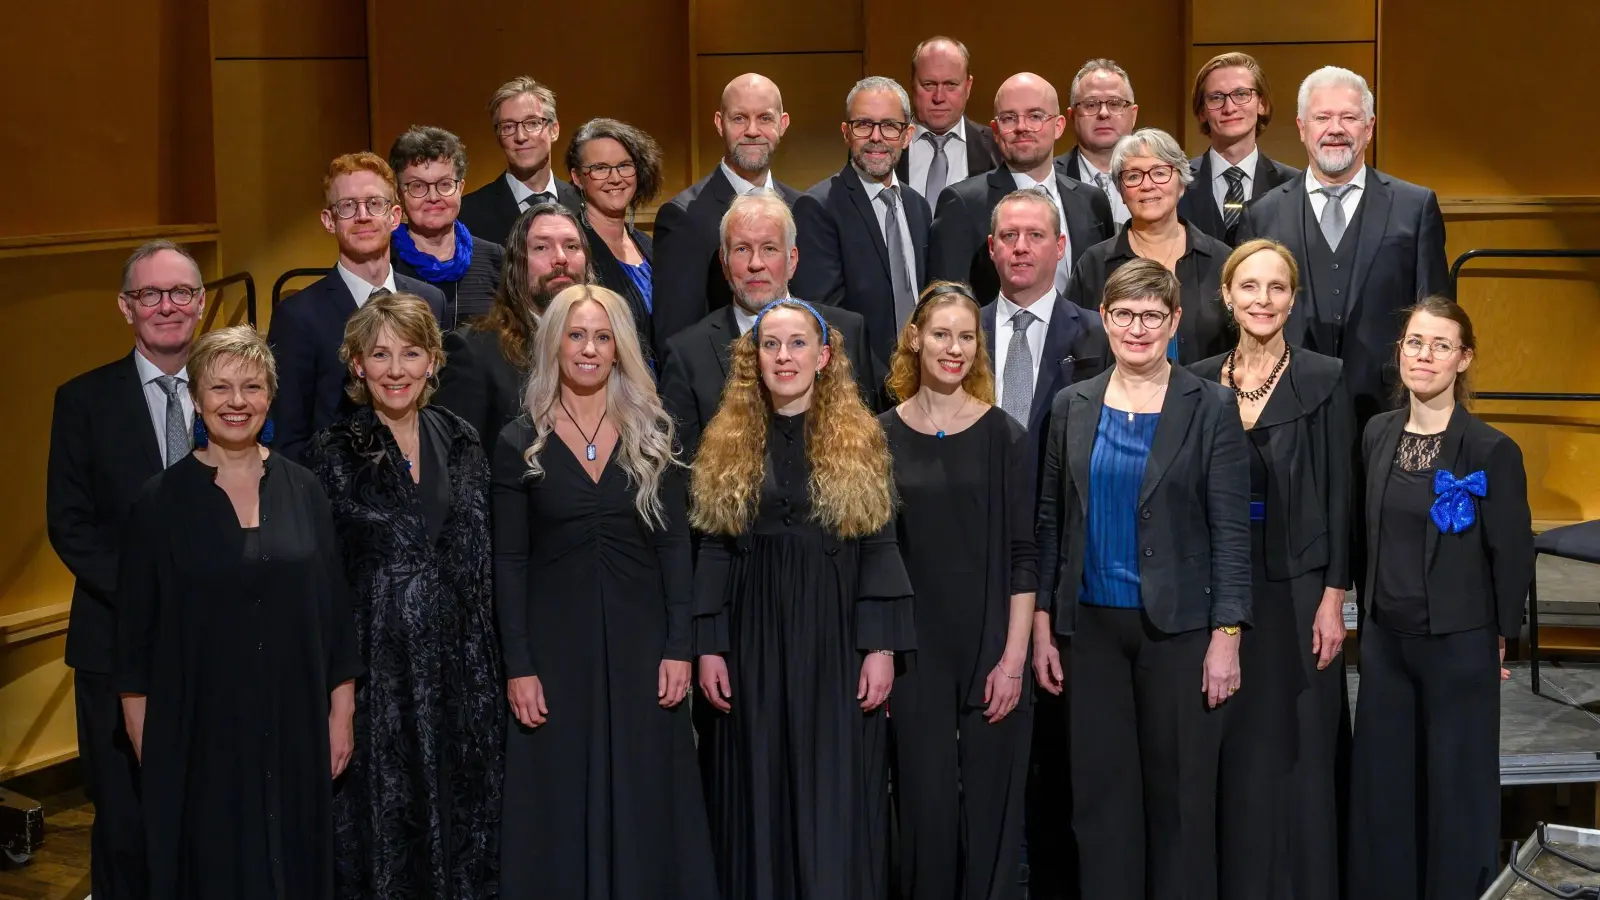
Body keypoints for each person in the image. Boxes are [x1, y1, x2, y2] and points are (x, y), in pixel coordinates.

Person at [115, 326, 363, 900]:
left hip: (298, 725)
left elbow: (334, 615)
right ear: (197, 399)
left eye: (252, 387)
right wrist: (151, 744)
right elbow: (133, 643)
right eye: (220, 388)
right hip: (199, 734)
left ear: (270, 398)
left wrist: (341, 715)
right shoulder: (159, 502)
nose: (236, 402)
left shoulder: (305, 489)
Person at [1033, 260, 1250, 900]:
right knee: (1100, 801)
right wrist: (1045, 626)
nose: (1137, 327)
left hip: (1180, 632)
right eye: (1124, 314)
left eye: (1152, 315)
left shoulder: (1210, 406)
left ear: (1175, 321)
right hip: (1090, 629)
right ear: (1104, 318)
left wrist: (1227, 634)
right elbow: (1051, 522)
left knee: (1178, 799)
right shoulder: (1071, 404)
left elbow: (1231, 530)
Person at [491, 284, 717, 897]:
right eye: (576, 335)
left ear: (619, 348)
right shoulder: (519, 442)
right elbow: (508, 562)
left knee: (648, 788)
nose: (589, 349)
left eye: (602, 336)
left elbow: (675, 550)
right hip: (553, 654)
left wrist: (679, 646)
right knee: (558, 793)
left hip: (644, 648)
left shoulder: (654, 435)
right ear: (554, 344)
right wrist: (519, 664)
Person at [691, 298, 913, 899]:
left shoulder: (862, 436)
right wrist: (709, 646)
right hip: (753, 632)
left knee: (833, 783)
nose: (783, 356)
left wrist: (881, 647)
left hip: (836, 635)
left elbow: (880, 545)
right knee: (757, 779)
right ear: (753, 357)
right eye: (770, 345)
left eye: (796, 344)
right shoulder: (727, 437)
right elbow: (713, 546)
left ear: (824, 356)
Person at [302, 294, 504, 900]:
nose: (396, 369)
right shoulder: (331, 452)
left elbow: (483, 561)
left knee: (470, 833)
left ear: (433, 361)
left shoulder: (465, 441)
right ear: (357, 365)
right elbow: (325, 588)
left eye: (411, 353)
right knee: (386, 838)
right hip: (379, 686)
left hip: (466, 681)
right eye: (380, 354)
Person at [1348, 298, 1532, 900]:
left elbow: (1511, 554)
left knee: (1456, 790)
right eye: (1415, 343)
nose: (1424, 356)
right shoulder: (1377, 433)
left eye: (1440, 346)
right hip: (1385, 645)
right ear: (1399, 351)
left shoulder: (1490, 449)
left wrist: (1500, 637)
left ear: (1464, 359)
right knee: (1386, 788)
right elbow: (1363, 533)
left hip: (1458, 644)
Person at [1190, 240, 1353, 900]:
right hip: (1220, 587)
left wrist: (1334, 595)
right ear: (1227, 296)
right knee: (1229, 749)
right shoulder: (1197, 380)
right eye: (1249, 287)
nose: (1263, 299)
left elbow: (1342, 493)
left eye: (1276, 288)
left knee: (1302, 753)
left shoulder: (1326, 377)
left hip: (1300, 585)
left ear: (1293, 299)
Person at [46, 240, 207, 900]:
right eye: (150, 295)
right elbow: (71, 526)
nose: (166, 307)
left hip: (216, 641)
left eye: (181, 294)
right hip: (114, 642)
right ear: (125, 306)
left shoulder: (240, 390)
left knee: (208, 810)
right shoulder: (82, 401)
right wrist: (151, 595)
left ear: (200, 304)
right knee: (125, 819)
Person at [881, 282, 1035, 900]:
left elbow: (1025, 556)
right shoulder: (878, 436)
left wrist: (1014, 659)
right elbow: (875, 556)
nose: (954, 348)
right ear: (915, 339)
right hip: (914, 650)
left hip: (992, 644)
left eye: (966, 337)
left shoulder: (1006, 435)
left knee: (994, 814)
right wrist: (883, 652)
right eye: (941, 334)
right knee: (925, 810)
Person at [1237, 66, 1451, 427]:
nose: (1335, 129)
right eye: (1322, 117)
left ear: (1369, 128)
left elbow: (1438, 318)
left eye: (1349, 117)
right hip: (1286, 411)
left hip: (1390, 412)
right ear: (1302, 129)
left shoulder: (1415, 208)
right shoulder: (1262, 214)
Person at [658, 192, 881, 461]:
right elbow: (679, 471)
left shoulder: (847, 331)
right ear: (724, 263)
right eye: (742, 249)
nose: (756, 264)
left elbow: (871, 446)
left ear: (792, 260)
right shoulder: (687, 354)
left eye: (769, 248)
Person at [268, 151, 446, 463]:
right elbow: (287, 439)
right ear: (329, 220)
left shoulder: (430, 300)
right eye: (347, 206)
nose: (362, 216)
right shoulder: (296, 316)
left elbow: (437, 408)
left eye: (374, 204)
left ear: (394, 216)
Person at [927, 72, 1113, 308]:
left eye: (1035, 116)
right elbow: (947, 306)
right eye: (1009, 118)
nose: (1022, 127)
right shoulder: (962, 203)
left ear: (1058, 126)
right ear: (995, 130)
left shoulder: (1092, 201)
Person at [651, 73, 804, 346]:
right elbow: (675, 342)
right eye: (739, 118)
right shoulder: (683, 217)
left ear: (783, 124)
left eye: (765, 118)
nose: (753, 130)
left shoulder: (802, 209)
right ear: (720, 124)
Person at [794, 76, 932, 366]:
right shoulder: (818, 208)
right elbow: (827, 320)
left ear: (907, 135)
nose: (876, 137)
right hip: (860, 388)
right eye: (864, 124)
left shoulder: (918, 206)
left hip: (923, 381)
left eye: (889, 125)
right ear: (846, 133)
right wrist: (890, 385)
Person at [1066, 128, 1232, 365]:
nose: (1147, 185)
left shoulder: (1222, 260)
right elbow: (1075, 346)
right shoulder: (1094, 263)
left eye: (1160, 173)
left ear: (1182, 185)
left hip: (1207, 399)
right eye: (1133, 176)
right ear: (1121, 192)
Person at [433, 202, 592, 449]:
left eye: (572, 246)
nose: (560, 258)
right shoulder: (473, 350)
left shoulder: (609, 342)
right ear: (517, 265)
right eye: (541, 247)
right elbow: (458, 464)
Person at [983, 189, 1109, 440]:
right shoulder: (967, 333)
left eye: (1035, 235)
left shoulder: (1098, 333)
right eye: (1009, 235)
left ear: (1060, 246)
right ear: (992, 247)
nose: (1020, 247)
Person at [388, 126, 506, 330]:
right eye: (418, 186)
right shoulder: (384, 260)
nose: (433, 197)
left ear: (460, 188)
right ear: (399, 193)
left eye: (444, 184)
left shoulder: (495, 259)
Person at [1176, 53, 1300, 246]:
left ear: (1262, 104)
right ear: (1202, 112)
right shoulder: (1175, 183)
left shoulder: (1295, 186)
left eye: (1241, 94)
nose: (1229, 107)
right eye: (1216, 98)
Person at [566, 117, 663, 363]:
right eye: (600, 168)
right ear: (578, 178)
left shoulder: (647, 243)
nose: (615, 178)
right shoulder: (571, 248)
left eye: (624, 165)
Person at [458, 76, 583, 244]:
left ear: (554, 130)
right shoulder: (468, 213)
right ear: (498, 137)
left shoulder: (585, 204)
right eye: (508, 127)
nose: (520, 136)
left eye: (532, 123)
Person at [897, 36, 1003, 204]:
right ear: (912, 84)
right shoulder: (885, 143)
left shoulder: (997, 146)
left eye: (951, 85)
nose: (939, 97)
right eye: (929, 85)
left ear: (968, 87)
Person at [1054, 60, 1139, 225]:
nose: (1103, 113)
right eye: (1091, 104)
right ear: (1072, 116)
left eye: (1115, 103)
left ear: (1133, 115)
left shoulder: (1160, 181)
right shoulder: (1049, 178)